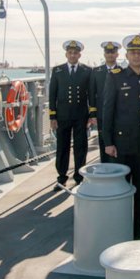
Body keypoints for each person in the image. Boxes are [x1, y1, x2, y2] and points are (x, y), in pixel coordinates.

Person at [102, 35, 140, 239]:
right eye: (133, 52)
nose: (136, 55)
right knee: (120, 193)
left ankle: (137, 232)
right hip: (121, 146)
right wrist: (108, 142)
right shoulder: (116, 76)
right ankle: (120, 231)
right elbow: (108, 111)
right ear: (127, 55)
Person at [49, 40, 93, 191]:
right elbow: (52, 94)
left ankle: (79, 177)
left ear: (79, 54)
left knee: (81, 147)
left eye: (75, 53)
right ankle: (61, 178)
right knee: (62, 147)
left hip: (81, 115)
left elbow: (91, 94)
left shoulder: (87, 70)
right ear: (66, 54)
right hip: (62, 115)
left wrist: (91, 114)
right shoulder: (58, 70)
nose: (73, 55)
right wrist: (52, 116)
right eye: (70, 53)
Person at [90, 41, 122, 163]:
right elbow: (92, 93)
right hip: (101, 114)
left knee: (117, 140)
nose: (110, 55)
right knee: (103, 142)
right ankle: (104, 166)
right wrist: (93, 114)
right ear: (104, 54)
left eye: (113, 52)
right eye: (107, 52)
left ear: (117, 54)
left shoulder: (122, 71)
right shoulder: (96, 71)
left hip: (117, 113)